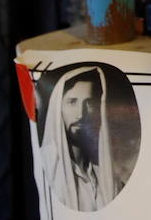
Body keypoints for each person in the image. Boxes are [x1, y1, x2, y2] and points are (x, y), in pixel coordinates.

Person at [40, 66, 119, 211]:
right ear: (58, 108)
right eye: (72, 102)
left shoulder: (106, 173)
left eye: (88, 103)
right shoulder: (46, 165)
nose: (80, 114)